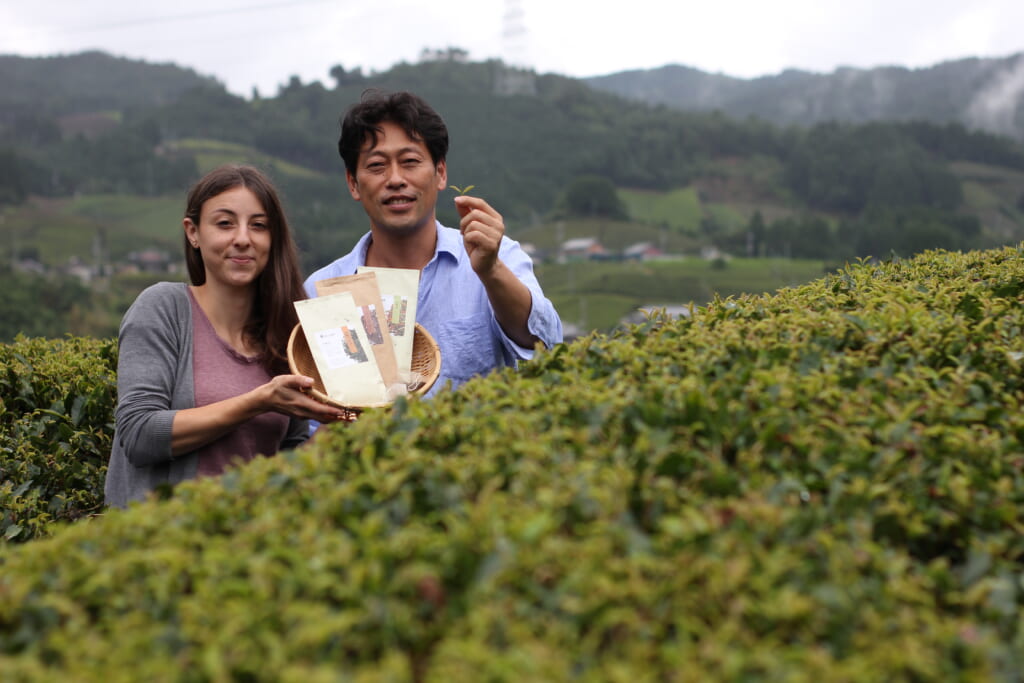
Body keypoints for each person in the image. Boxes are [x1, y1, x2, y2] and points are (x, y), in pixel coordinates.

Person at [104, 164, 345, 508]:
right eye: (225, 223)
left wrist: (340, 427)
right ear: (193, 232)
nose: (243, 238)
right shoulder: (163, 308)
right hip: (161, 535)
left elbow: (286, 458)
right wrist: (258, 401)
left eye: (258, 226)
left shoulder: (284, 335)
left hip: (248, 535)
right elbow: (139, 434)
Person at [304, 89, 562, 402]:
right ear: (353, 183)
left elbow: (546, 345)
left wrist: (491, 271)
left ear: (440, 173)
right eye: (377, 165)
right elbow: (318, 415)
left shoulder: (496, 255)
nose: (395, 179)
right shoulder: (322, 291)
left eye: (410, 161)